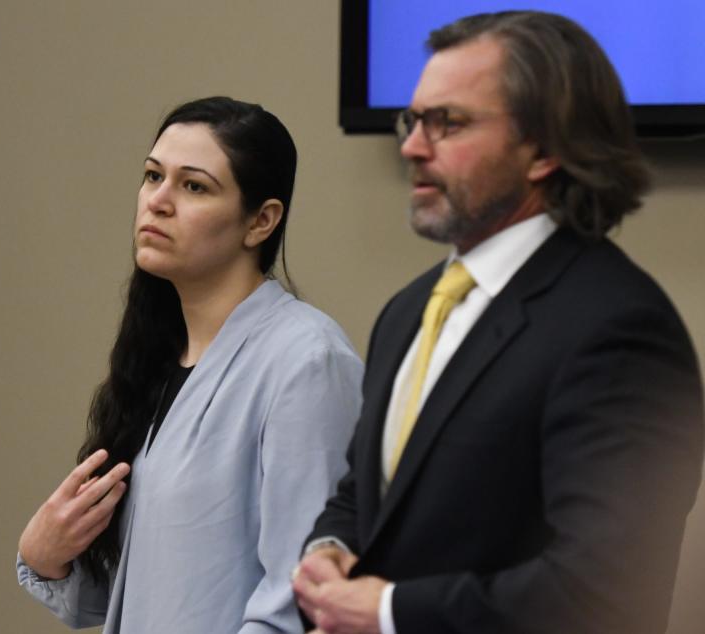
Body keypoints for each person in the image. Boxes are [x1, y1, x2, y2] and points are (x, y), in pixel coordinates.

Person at [292, 11, 703, 634]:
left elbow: (608, 591)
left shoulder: (619, 329)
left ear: (543, 149)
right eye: (413, 119)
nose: (411, 145)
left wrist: (386, 612)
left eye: (447, 122)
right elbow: (365, 494)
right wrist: (325, 550)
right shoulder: (408, 311)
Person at [17, 96, 364, 633]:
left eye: (194, 186)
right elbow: (154, 590)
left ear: (261, 221)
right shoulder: (157, 361)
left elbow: (304, 602)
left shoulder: (307, 362)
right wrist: (47, 555)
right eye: (152, 176)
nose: (158, 201)